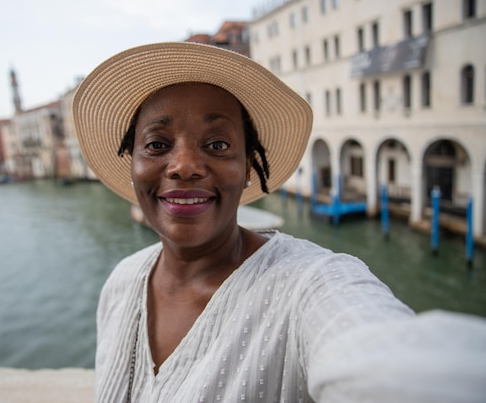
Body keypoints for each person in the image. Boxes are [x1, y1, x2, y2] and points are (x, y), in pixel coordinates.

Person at [73, 42, 486, 403]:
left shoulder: (310, 285)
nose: (184, 166)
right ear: (134, 164)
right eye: (157, 145)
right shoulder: (122, 282)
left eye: (218, 144)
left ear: (249, 166)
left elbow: (385, 358)